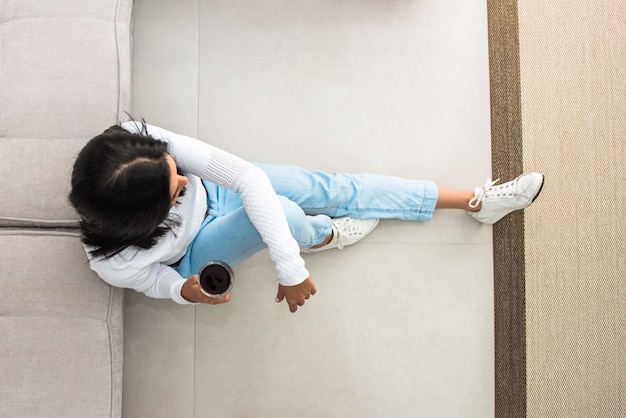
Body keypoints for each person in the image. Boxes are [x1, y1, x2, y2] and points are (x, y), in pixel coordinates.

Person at [69, 121, 544, 313]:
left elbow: (248, 178)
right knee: (285, 217)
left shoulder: (135, 141)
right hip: (196, 249)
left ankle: (476, 203)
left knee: (333, 187)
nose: (186, 181)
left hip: (227, 191)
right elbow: (154, 281)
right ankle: (324, 234)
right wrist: (180, 289)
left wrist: (290, 270)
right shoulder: (113, 262)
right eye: (176, 192)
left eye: (177, 171)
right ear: (147, 218)